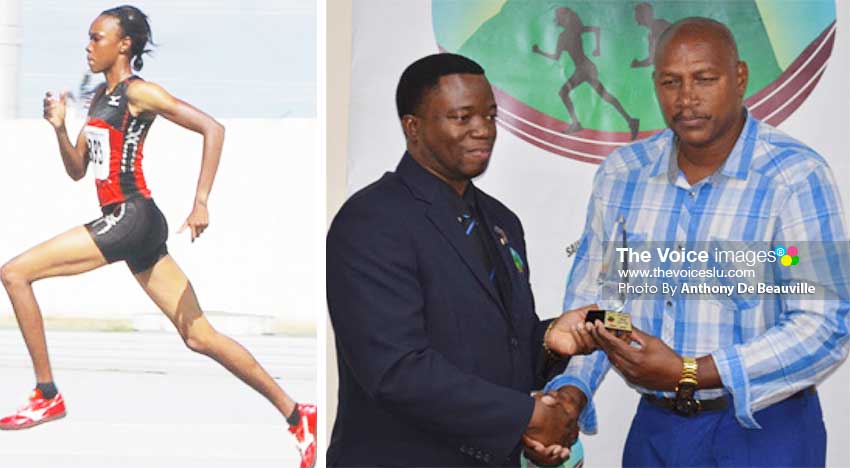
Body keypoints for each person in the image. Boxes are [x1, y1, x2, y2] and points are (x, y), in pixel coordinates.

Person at [0, 6, 316, 467]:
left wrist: (202, 200)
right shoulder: (98, 101)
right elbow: (76, 171)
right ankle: (296, 414)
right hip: (131, 222)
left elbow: (213, 127)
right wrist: (58, 128)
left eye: (96, 37)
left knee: (14, 273)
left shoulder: (139, 92)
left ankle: (46, 393)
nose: (88, 46)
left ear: (123, 44)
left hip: (133, 216)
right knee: (199, 335)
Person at [543, 17, 850, 467]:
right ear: (655, 84)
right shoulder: (623, 175)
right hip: (658, 430)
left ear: (740, 77)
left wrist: (692, 371)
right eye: (671, 82)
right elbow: (600, 302)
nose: (686, 98)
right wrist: (572, 393)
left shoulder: (795, 176)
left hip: (765, 429)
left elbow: (826, 324)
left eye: (705, 79)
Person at [326, 53, 609, 467]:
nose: (483, 130)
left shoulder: (501, 221)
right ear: (413, 127)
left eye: (490, 116)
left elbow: (502, 354)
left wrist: (550, 340)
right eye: (463, 118)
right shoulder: (370, 221)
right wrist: (526, 417)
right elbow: (397, 370)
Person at [532, 6, 640, 140]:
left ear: (565, 17)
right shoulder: (569, 33)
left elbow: (555, 57)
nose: (558, 17)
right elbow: (557, 56)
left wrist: (539, 51)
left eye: (560, 15)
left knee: (565, 92)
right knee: (604, 95)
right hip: (585, 68)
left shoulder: (569, 33)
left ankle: (576, 123)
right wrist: (597, 49)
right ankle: (630, 120)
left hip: (584, 69)